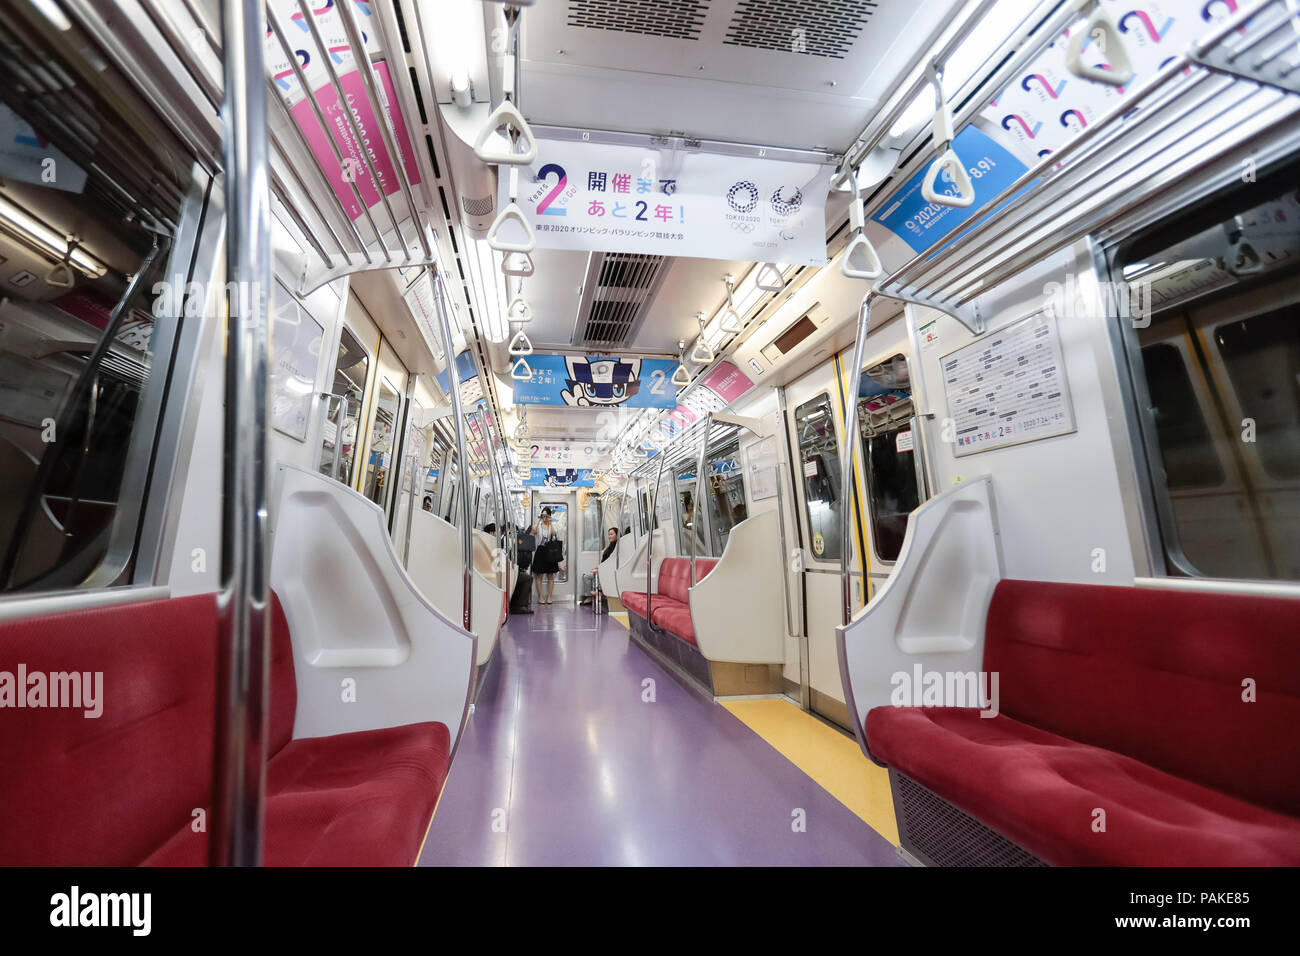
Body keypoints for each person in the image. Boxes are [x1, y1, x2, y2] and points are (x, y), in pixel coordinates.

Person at [529, 508, 562, 605]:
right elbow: (533, 531)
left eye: (546, 515)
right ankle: (540, 597)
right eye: (543, 515)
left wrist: (551, 522)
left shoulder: (551, 525)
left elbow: (554, 534)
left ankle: (550, 596)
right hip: (540, 551)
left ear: (549, 516)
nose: (544, 517)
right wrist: (539, 519)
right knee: (539, 575)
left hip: (550, 551)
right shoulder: (538, 525)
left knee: (550, 575)